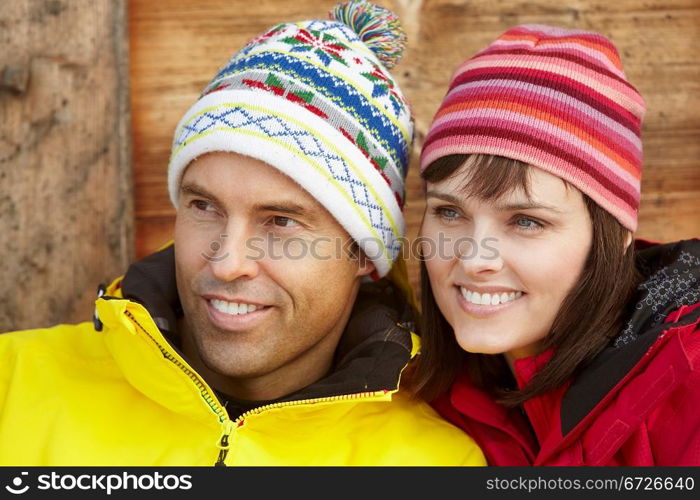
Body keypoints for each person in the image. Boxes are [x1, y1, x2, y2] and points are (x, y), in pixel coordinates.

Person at [0, 1, 484, 466]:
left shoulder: (433, 464)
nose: (228, 263)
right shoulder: (14, 385)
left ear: (364, 253)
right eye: (204, 206)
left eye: (280, 221)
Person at [413, 24, 700, 465]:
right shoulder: (426, 397)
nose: (474, 259)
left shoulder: (686, 383)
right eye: (449, 213)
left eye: (526, 221)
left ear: (616, 236)